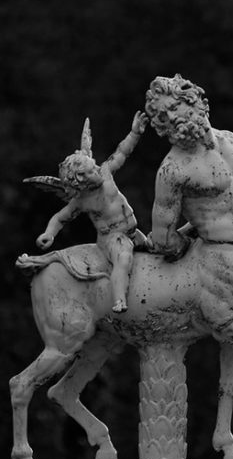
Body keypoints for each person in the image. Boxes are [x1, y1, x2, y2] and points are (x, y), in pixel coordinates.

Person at [145, 73, 233, 327]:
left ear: (195, 101)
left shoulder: (232, 140)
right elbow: (163, 239)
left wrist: (192, 226)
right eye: (162, 117)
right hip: (222, 270)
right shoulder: (172, 170)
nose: (171, 118)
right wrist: (193, 242)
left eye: (173, 107)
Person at [31, 114, 148, 313]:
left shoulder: (105, 173)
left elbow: (122, 152)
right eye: (91, 171)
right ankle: (119, 299)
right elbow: (60, 217)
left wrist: (135, 132)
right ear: (81, 181)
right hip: (112, 239)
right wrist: (49, 233)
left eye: (94, 166)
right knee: (123, 259)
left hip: (132, 232)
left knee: (154, 248)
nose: (97, 169)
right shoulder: (82, 201)